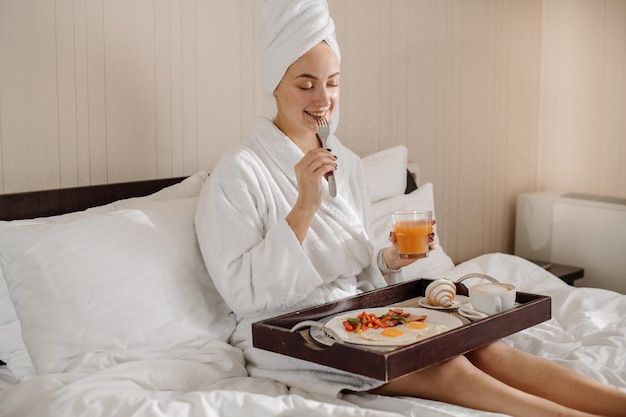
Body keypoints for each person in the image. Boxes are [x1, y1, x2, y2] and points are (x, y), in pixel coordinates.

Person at [194, 1, 626, 416]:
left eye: (334, 82)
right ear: (274, 82)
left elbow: (357, 269)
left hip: (358, 314)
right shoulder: (239, 171)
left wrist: (389, 261)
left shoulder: (346, 161)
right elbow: (244, 294)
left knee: (483, 347)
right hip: (290, 336)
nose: (323, 98)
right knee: (446, 363)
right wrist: (304, 206)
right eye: (306, 84)